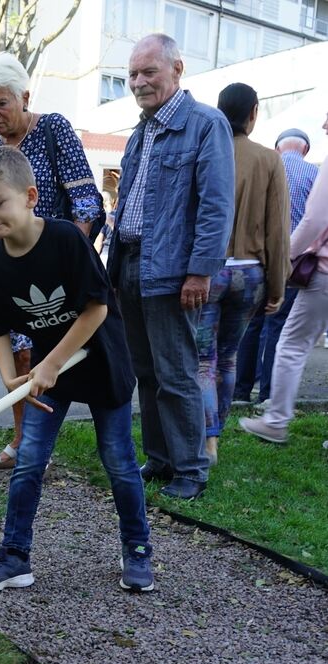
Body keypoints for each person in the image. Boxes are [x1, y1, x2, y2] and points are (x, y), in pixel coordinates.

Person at [0, 146, 153, 593]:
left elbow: (96, 311)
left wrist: (49, 363)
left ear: (29, 197)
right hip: (53, 372)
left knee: (119, 462)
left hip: (101, 361)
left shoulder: (67, 239)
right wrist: (11, 378)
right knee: (28, 461)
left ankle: (137, 548)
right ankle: (14, 557)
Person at [107, 34, 235, 501]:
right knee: (146, 371)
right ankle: (160, 460)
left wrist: (200, 272)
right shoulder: (142, 130)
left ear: (177, 70)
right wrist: (113, 268)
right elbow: (128, 206)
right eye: (133, 74)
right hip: (131, 267)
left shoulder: (205, 123)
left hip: (175, 273)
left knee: (177, 373)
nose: (138, 82)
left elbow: (216, 206)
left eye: (149, 72)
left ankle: (191, 469)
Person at [0, 52, 105, 472]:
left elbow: (85, 200)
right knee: (14, 358)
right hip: (9, 272)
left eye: (1, 104)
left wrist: (69, 258)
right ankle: (22, 443)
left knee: (41, 360)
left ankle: (31, 446)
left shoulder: (53, 129)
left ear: (24, 97)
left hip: (57, 274)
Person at [196, 84, 289, 466]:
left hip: (207, 271)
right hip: (250, 274)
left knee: (203, 360)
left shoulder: (204, 151)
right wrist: (278, 284)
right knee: (229, 359)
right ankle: (216, 433)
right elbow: (278, 230)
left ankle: (207, 441)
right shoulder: (270, 159)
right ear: (254, 113)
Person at [239, 110, 328, 445]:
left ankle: (275, 419)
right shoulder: (311, 169)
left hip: (315, 272)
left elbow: (314, 220)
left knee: (289, 343)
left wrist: (282, 257)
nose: (323, 123)